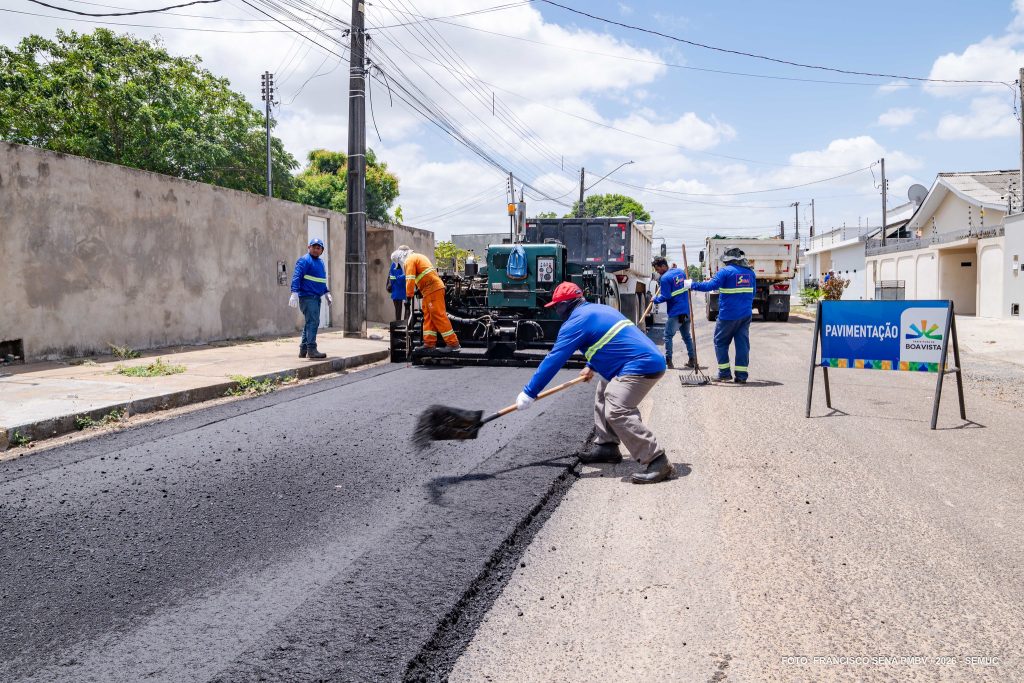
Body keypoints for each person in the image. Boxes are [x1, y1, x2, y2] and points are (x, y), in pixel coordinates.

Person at [515, 282, 673, 484]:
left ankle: (657, 460)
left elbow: (554, 360)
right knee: (603, 391)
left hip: (641, 366)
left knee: (617, 408)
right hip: (636, 361)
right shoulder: (597, 309)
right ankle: (607, 447)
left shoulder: (575, 322)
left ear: (567, 304)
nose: (555, 309)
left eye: (557, 305)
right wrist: (591, 365)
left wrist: (529, 392)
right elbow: (609, 338)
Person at [687, 247, 755, 383]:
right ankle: (741, 376)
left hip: (728, 315)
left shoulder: (725, 272)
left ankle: (724, 373)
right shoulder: (750, 273)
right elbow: (753, 294)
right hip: (745, 315)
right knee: (742, 344)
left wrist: (691, 285)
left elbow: (709, 286)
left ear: (727, 260)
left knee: (720, 342)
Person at [391, 245, 461, 353]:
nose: (400, 267)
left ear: (400, 258)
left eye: (399, 265)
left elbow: (409, 279)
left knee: (438, 315)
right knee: (428, 316)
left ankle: (453, 343)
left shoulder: (409, 260)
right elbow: (422, 275)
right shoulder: (418, 257)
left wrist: (408, 298)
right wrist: (418, 290)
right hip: (429, 291)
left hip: (433, 290)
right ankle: (429, 343)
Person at [289, 237, 333, 359]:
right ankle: (312, 349)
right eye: (313, 247)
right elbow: (297, 277)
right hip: (308, 297)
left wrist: (326, 292)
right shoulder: (304, 260)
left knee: (309, 323)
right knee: (313, 322)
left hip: (316, 297)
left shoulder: (320, 263)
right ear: (309, 247)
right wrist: (294, 293)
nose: (316, 249)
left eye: (318, 248)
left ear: (322, 250)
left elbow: (321, 280)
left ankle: (303, 350)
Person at [651, 256, 695, 369]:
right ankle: (692, 359)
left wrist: (655, 300)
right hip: (686, 310)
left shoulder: (664, 279)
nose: (657, 272)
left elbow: (666, 296)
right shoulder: (681, 272)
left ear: (664, 266)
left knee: (667, 336)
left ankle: (669, 361)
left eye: (658, 269)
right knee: (687, 336)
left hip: (676, 312)